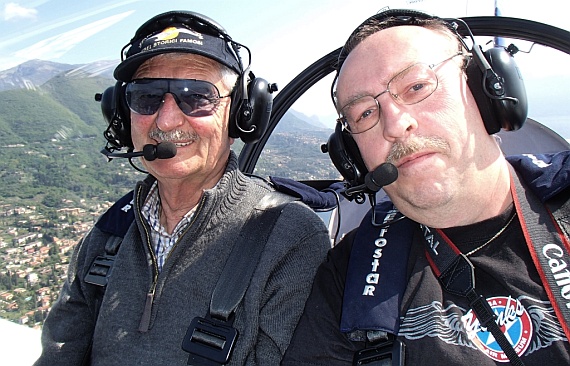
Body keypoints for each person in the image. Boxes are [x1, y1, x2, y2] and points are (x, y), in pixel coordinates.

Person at [34, 10, 330, 366]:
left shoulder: (290, 238)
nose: (167, 119)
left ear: (242, 112)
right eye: (147, 97)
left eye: (197, 96)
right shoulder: (108, 233)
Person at [282, 9, 570, 365]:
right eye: (365, 114)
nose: (395, 124)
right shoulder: (349, 276)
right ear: (354, 157)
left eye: (416, 87)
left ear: (486, 92)